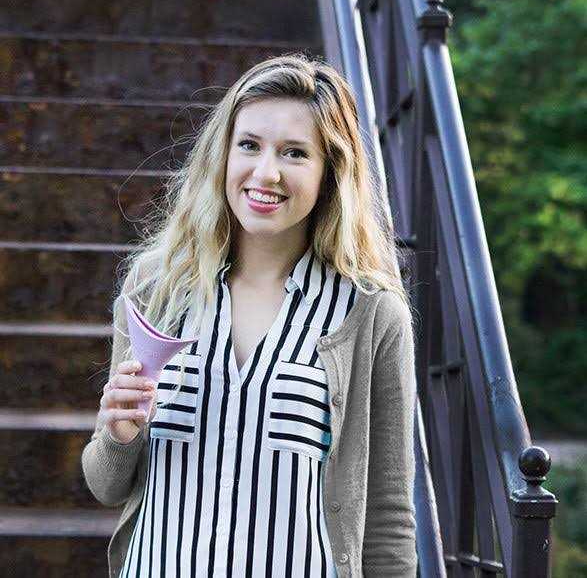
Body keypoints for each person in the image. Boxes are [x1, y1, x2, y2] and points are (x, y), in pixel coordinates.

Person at [82, 52, 418, 578]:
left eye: (295, 153)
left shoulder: (371, 313)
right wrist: (118, 434)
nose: (266, 173)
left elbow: (389, 515)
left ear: (331, 171)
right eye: (249, 145)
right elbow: (105, 485)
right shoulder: (156, 288)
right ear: (223, 154)